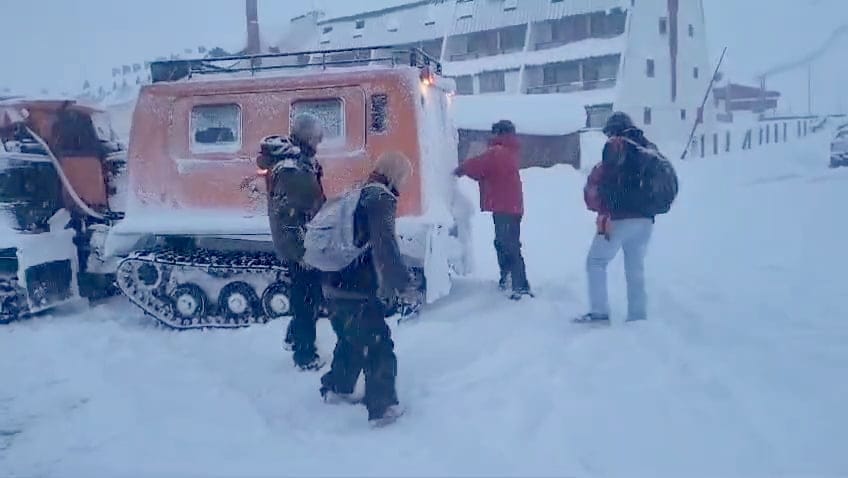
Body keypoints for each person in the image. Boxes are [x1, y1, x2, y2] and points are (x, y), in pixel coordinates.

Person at [318, 152, 412, 426]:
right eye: (404, 177)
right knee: (378, 343)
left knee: (350, 339)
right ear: (396, 174)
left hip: (333, 281)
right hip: (356, 286)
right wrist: (402, 284)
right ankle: (382, 406)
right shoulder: (380, 198)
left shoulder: (358, 192)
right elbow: (385, 246)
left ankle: (338, 387)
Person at [576, 111, 664, 324]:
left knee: (596, 262)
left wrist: (599, 204)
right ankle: (637, 315)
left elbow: (600, 180)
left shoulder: (616, 146)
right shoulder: (649, 149)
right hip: (645, 220)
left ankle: (599, 312)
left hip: (618, 218)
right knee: (635, 267)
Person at [257, 113, 327, 370]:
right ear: (307, 137)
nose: (319, 142)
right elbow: (295, 214)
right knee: (307, 298)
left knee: (308, 294)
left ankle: (294, 337)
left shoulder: (299, 162)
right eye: (317, 137)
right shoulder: (293, 169)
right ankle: (304, 355)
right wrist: (303, 252)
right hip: (299, 244)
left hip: (301, 241)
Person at [453, 120, 532, 300]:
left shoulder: (498, 152)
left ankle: (519, 285)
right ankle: (510, 279)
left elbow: (477, 166)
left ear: (500, 133)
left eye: (494, 132)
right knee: (505, 243)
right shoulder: (508, 151)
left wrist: (458, 170)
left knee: (508, 245)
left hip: (505, 207)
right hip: (510, 206)